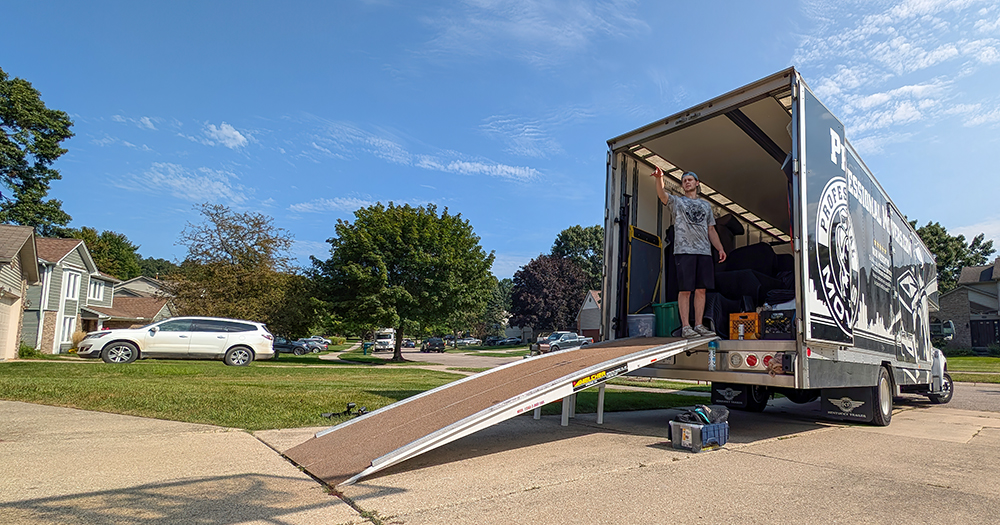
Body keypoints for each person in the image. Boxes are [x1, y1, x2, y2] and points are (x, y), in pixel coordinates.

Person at [651, 167, 726, 338]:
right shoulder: (677, 202)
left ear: (697, 183)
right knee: (685, 290)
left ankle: (699, 325)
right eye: (684, 180)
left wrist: (720, 248)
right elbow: (662, 195)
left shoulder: (706, 206)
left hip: (704, 253)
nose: (687, 182)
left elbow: (711, 230)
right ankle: (686, 327)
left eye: (690, 179)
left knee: (701, 290)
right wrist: (659, 178)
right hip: (684, 251)